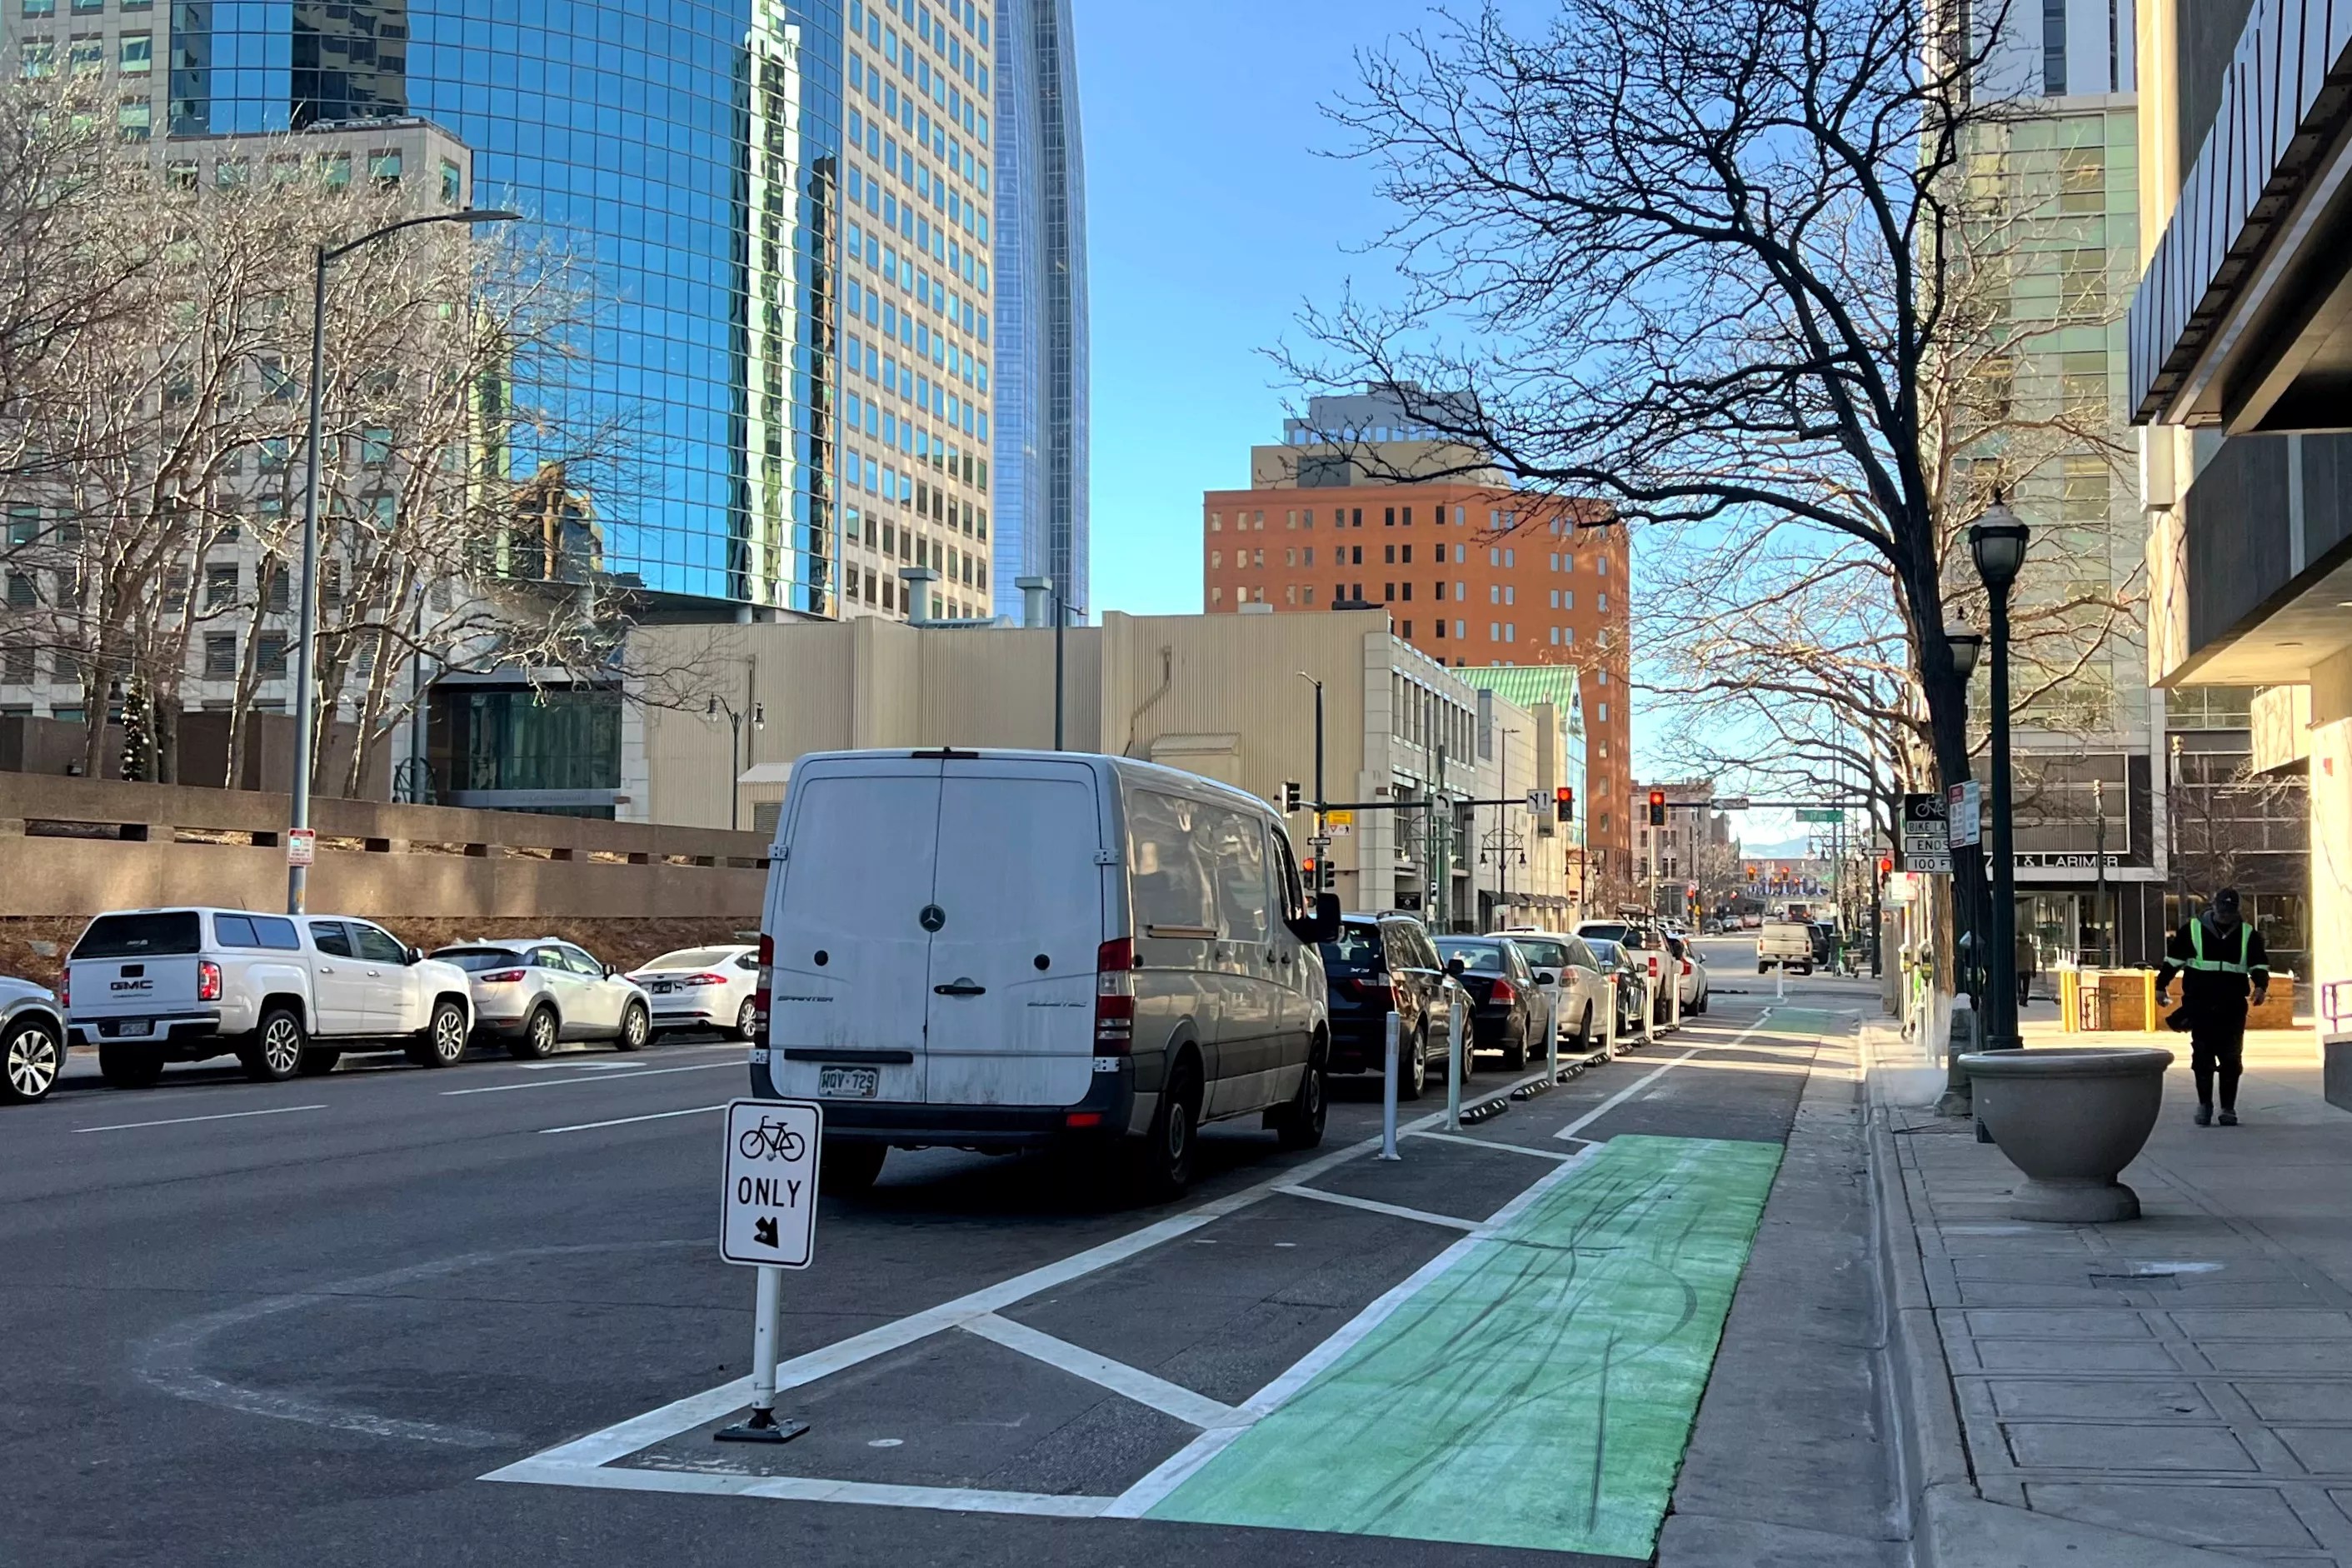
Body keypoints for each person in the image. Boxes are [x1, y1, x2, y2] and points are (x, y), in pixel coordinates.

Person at [2155, 887, 2270, 1126]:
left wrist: (2261, 986)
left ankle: (2228, 1108)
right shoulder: (2193, 930)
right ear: (2214, 907)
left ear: (2236, 910)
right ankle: (2205, 1105)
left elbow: (2259, 964)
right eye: (2222, 910)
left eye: (2230, 911)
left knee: (2231, 1058)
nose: (2225, 915)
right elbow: (2173, 961)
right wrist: (2161, 985)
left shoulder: (2247, 934)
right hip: (2201, 1003)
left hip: (2232, 1006)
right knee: (2203, 1057)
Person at [2014, 932, 2037, 1009]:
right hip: (2027, 968)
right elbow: (2034, 959)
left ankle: (2020, 995)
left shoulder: (2017, 946)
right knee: (2026, 986)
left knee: (2018, 985)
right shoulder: (2030, 946)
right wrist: (2034, 969)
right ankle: (2024, 1000)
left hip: (2018, 969)